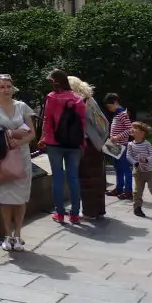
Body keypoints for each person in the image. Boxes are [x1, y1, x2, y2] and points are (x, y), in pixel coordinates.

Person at [0, 74, 36, 251]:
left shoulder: (22, 107)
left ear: (13, 88)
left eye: (8, 86)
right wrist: (9, 134)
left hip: (21, 157)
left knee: (20, 198)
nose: (6, 90)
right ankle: (7, 235)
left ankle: (18, 235)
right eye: (2, 87)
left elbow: (32, 134)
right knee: (4, 198)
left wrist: (19, 141)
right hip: (2, 157)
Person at [40, 69, 86, 224]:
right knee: (73, 178)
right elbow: (82, 123)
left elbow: (47, 120)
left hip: (54, 143)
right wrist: (82, 143)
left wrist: (44, 138)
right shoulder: (78, 99)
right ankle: (74, 214)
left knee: (58, 178)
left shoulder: (52, 98)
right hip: (74, 144)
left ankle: (59, 213)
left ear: (55, 81)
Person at [68, 77, 108, 220]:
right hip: (94, 144)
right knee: (97, 178)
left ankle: (89, 212)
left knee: (85, 178)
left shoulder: (78, 102)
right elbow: (103, 124)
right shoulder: (90, 100)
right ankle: (98, 210)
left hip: (84, 143)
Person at [127, 122, 152, 217]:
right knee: (137, 191)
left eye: (135, 128)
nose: (132, 129)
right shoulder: (130, 144)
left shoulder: (147, 144)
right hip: (138, 171)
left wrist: (147, 159)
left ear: (142, 133)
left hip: (150, 171)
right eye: (132, 127)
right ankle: (137, 208)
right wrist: (134, 163)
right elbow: (128, 156)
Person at [103, 93, 133, 200]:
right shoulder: (116, 114)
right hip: (114, 145)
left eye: (110, 106)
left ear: (115, 102)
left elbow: (130, 129)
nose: (110, 109)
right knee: (117, 168)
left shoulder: (122, 114)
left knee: (125, 168)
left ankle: (128, 190)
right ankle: (119, 188)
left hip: (122, 146)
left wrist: (117, 137)